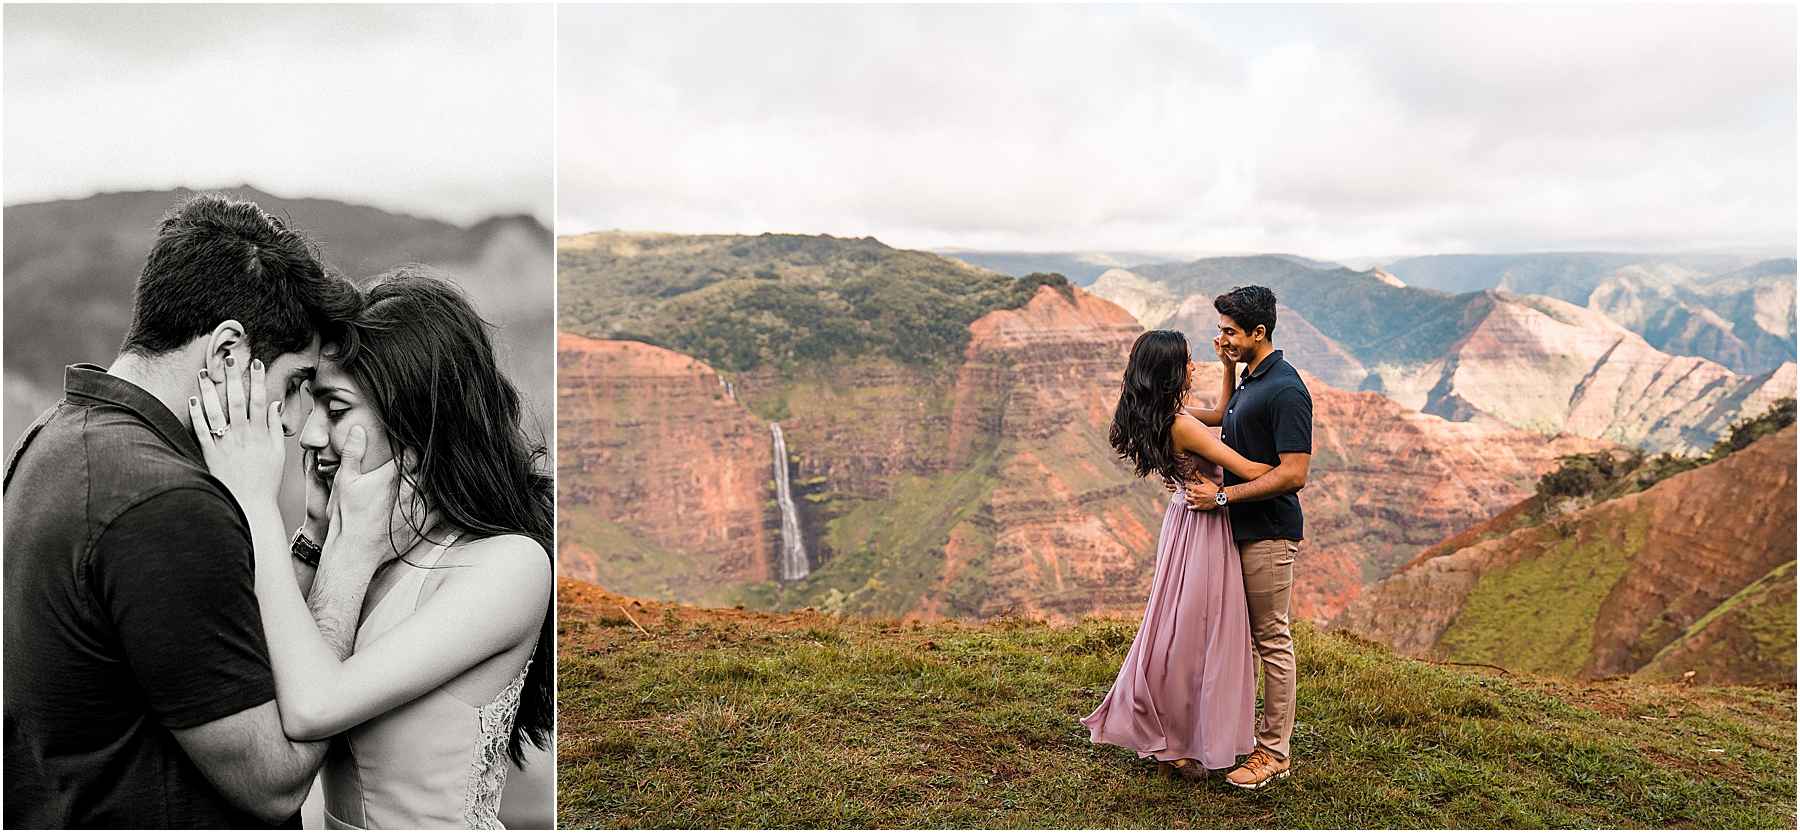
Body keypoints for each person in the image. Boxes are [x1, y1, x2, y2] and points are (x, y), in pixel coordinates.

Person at [4, 193, 363, 827]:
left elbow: (214, 656)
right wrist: (347, 561)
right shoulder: (168, 504)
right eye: (293, 386)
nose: (293, 424)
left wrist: (307, 539)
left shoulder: (52, 439)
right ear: (228, 354)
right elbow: (275, 782)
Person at [192, 266, 554, 829]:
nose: (310, 436)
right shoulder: (357, 542)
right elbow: (261, 693)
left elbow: (312, 707)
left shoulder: (508, 566)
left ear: (415, 417)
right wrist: (315, 533)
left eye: (335, 410)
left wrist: (254, 499)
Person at [1082, 329, 1274, 778]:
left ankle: (1176, 729)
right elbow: (1248, 470)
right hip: (1206, 524)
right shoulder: (1184, 425)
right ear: (1170, 371)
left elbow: (1223, 413)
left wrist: (1228, 368)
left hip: (1182, 521)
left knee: (1176, 623)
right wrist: (1289, 461)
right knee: (1202, 629)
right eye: (1186, 361)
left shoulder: (1163, 416)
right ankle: (1188, 734)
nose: (1193, 366)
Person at [1183, 284, 1312, 790]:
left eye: (1230, 332)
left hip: (1268, 534)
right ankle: (1233, 735)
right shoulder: (1253, 379)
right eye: (1220, 330)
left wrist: (1222, 499)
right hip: (1237, 530)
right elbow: (1221, 418)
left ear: (1260, 332)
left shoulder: (1285, 389)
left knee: (1271, 639)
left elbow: (1294, 473)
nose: (1222, 339)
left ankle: (1273, 752)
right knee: (1237, 637)